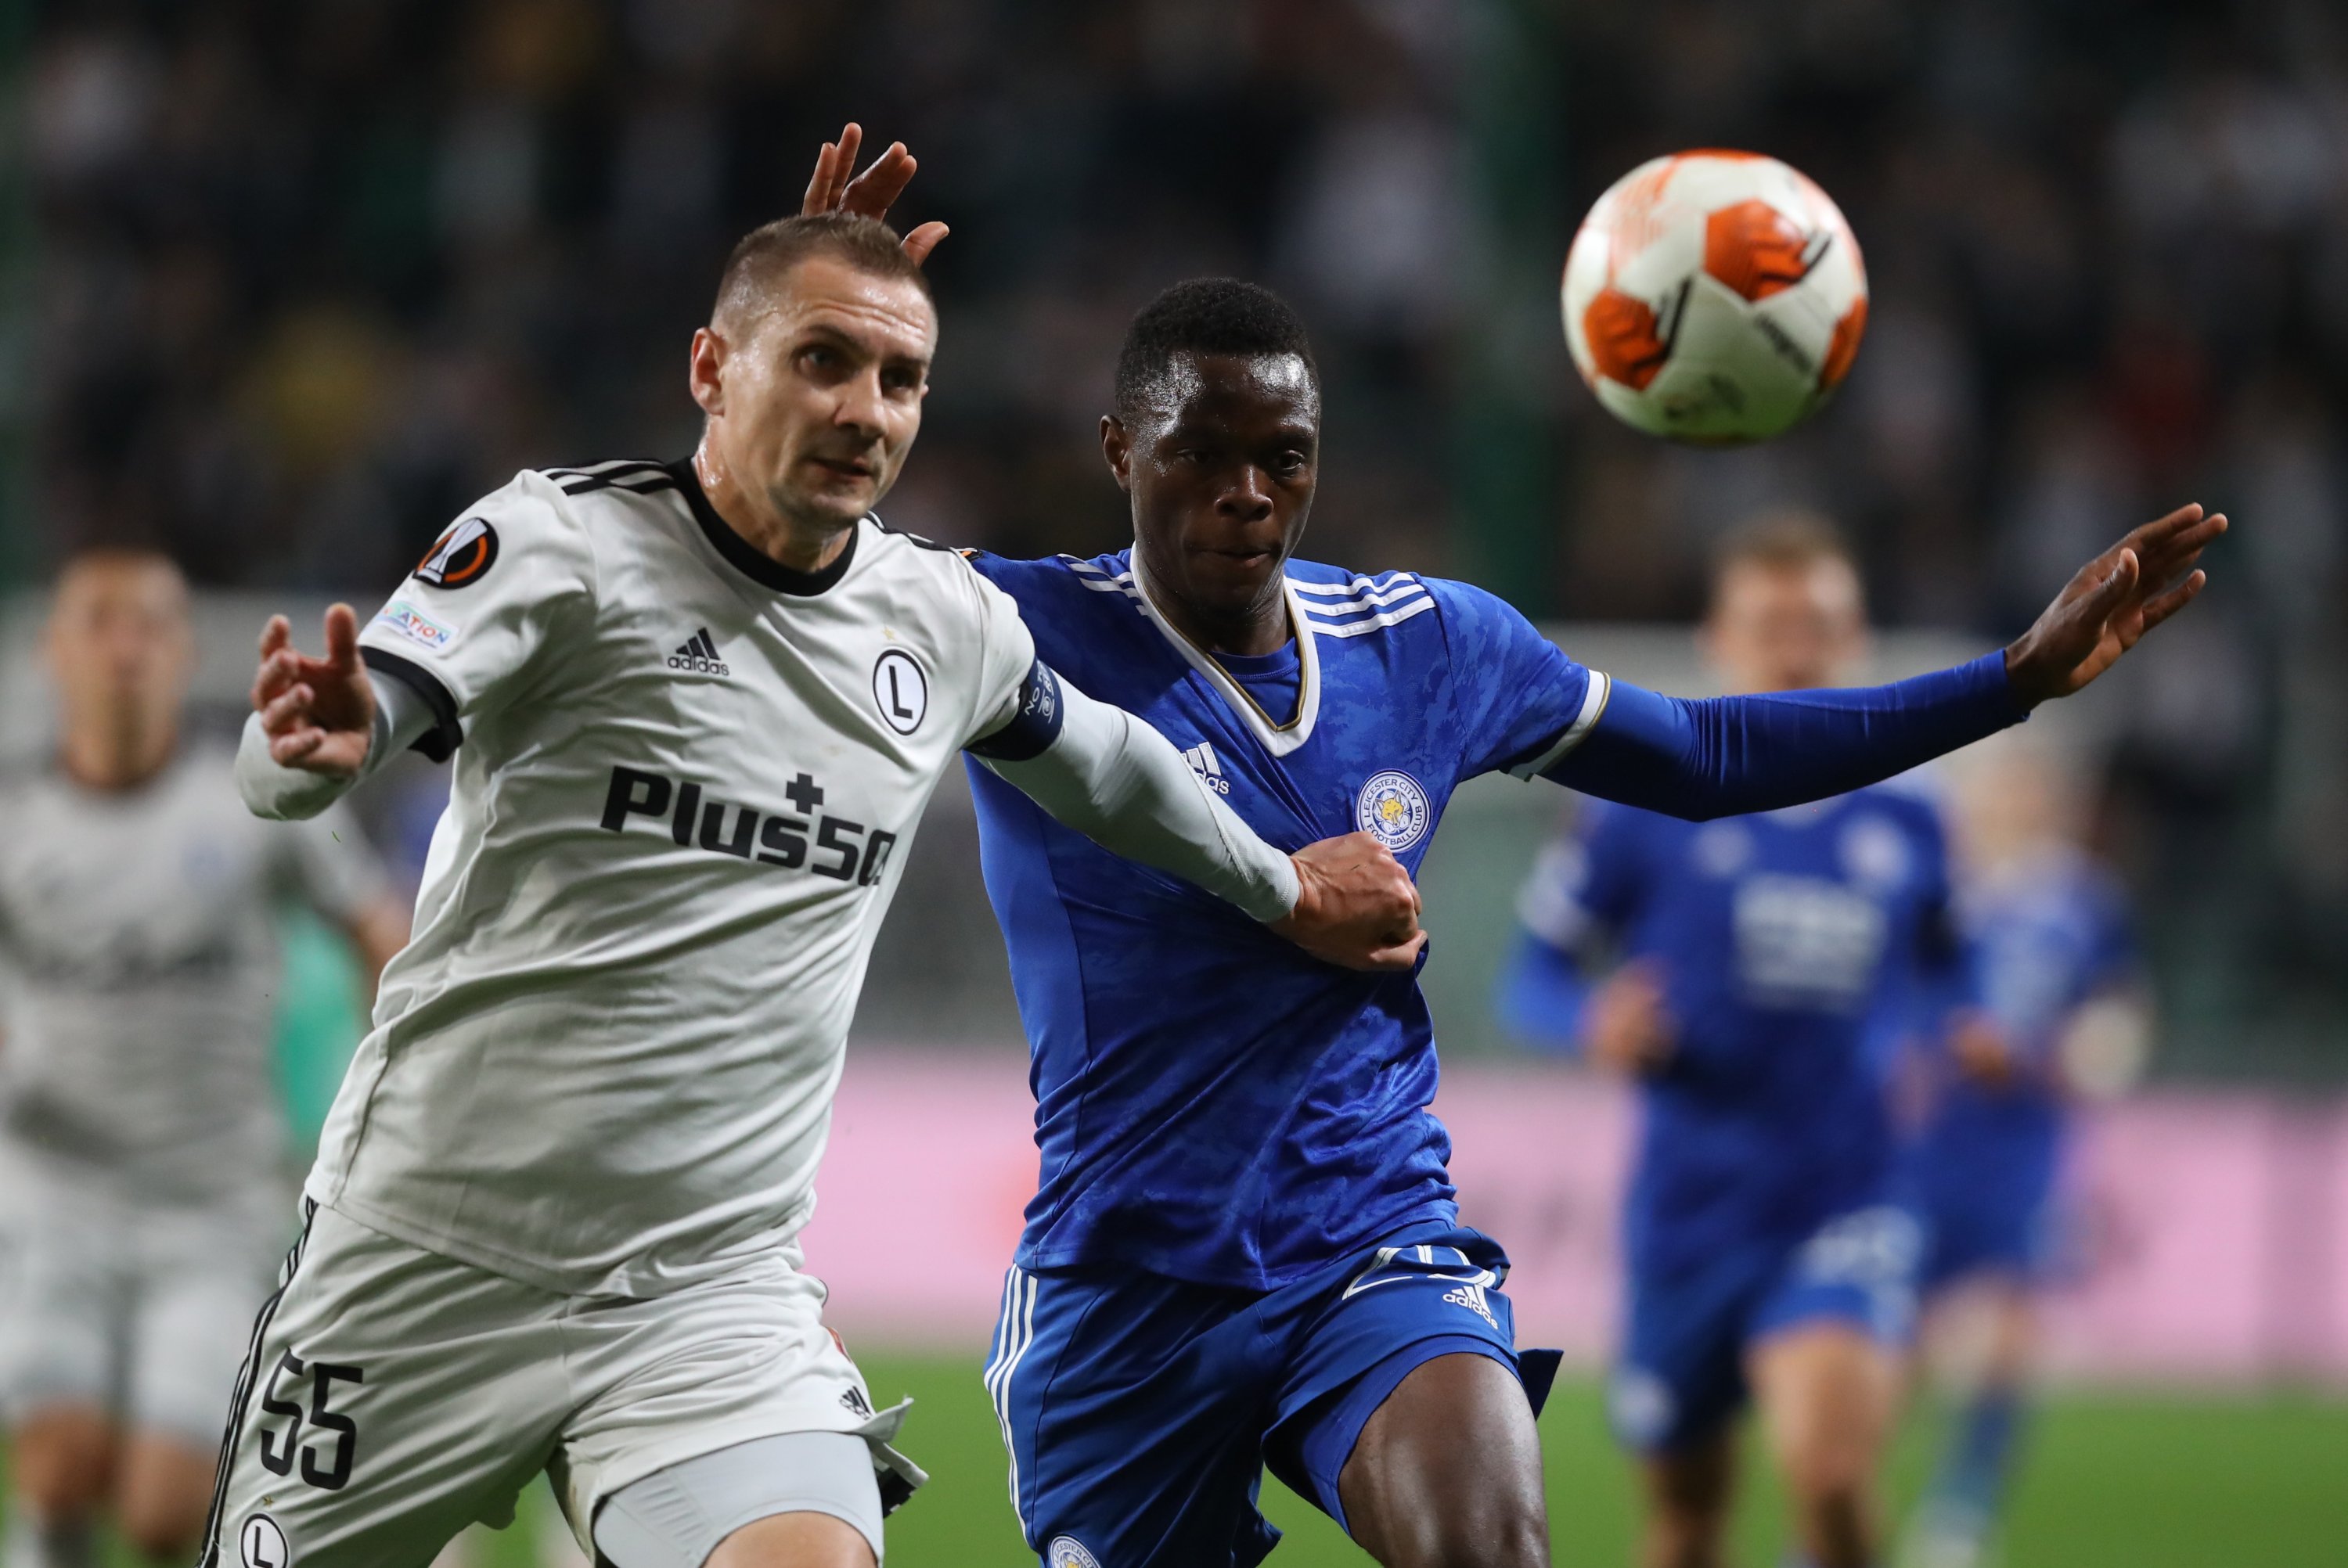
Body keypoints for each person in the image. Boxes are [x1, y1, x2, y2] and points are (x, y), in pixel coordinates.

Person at [209, 127, 1423, 1568]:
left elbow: (1107, 765)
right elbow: (306, 751)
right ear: (711, 372)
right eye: (823, 362)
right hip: (426, 1257)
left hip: (703, 1296)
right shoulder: (559, 545)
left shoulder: (937, 620)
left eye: (902, 378)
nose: (868, 411)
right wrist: (312, 746)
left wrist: (1281, 883)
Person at [947, 268, 2218, 1568]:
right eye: (1200, 454)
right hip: (1125, 1277)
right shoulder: (1010, 628)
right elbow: (789, 593)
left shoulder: (1427, 645)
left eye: (1284, 456)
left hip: (1368, 1238)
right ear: (1119, 450)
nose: (1249, 494)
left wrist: (2009, 684)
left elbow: (1707, 753)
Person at [1500, 516, 1991, 1568]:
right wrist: (1593, 1020)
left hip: (1847, 1194)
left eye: (1820, 625)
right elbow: (1530, 974)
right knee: (1685, 1525)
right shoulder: (1639, 810)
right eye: (1772, 624)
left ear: (1855, 641)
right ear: (1717, 639)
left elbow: (1958, 965)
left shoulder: (1913, 823)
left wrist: (1960, 1027)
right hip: (1689, 1213)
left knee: (1831, 1469)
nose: (1797, 648)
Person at [0, 548, 408, 1568]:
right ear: (55, 651)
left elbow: (378, 934)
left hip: (213, 1203)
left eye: (150, 625)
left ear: (186, 652)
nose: (125, 649)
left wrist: (407, 1093)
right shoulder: (13, 827)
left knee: (161, 1513)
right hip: (55, 1189)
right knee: (57, 1468)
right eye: (99, 622)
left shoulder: (251, 806)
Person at [1893, 741, 2147, 1568]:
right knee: (1898, 1337)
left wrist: (2073, 1059)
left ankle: (1961, 1511)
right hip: (1918, 1145)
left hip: (2022, 1146)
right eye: (1998, 792)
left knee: (2009, 1327)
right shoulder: (1933, 891)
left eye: (2027, 792)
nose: (2012, 805)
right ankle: (1850, 1493)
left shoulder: (2081, 901)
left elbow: (2116, 1018)